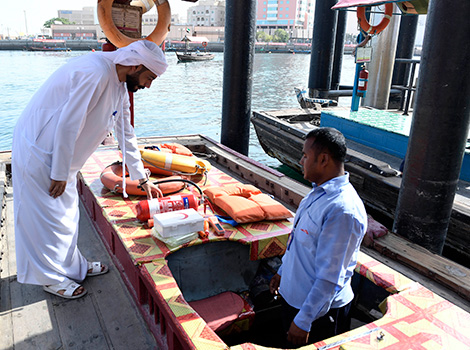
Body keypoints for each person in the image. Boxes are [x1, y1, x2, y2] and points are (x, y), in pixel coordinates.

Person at [12, 40, 168, 299]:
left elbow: (125, 131)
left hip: (64, 159)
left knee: (67, 217)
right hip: (41, 153)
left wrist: (141, 179)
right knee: (45, 220)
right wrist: (60, 173)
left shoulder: (119, 84)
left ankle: (74, 267)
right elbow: (67, 124)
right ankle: (50, 278)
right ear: (136, 66)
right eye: (149, 77)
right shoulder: (95, 72)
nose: (148, 85)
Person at [269, 127, 368, 347]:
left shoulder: (342, 211)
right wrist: (282, 272)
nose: (301, 160)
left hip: (318, 314)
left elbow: (330, 277)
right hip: (294, 299)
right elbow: (298, 243)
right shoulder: (317, 194)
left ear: (323, 159)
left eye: (305, 155)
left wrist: (304, 321)